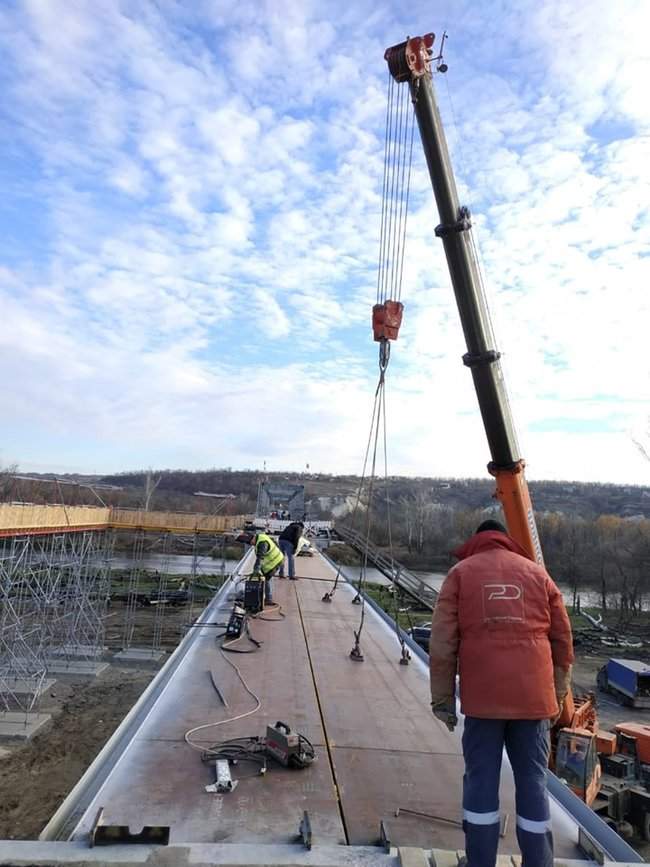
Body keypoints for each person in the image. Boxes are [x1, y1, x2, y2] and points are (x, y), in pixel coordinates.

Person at [429, 519, 573, 867]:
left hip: (484, 701)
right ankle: (539, 862)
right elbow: (563, 641)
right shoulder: (538, 575)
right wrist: (557, 693)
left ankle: (480, 862)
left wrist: (443, 701)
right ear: (506, 541)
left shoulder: (461, 574)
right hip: (534, 701)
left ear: (476, 541)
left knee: (481, 780)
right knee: (533, 781)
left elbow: (443, 645)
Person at [238, 532, 284, 605]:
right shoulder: (261, 537)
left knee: (267, 578)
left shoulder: (262, 543)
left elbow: (260, 558)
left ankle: (269, 599)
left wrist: (255, 571)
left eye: (250, 543)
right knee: (266, 576)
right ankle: (267, 597)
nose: (251, 544)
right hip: (276, 559)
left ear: (252, 539)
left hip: (275, 561)